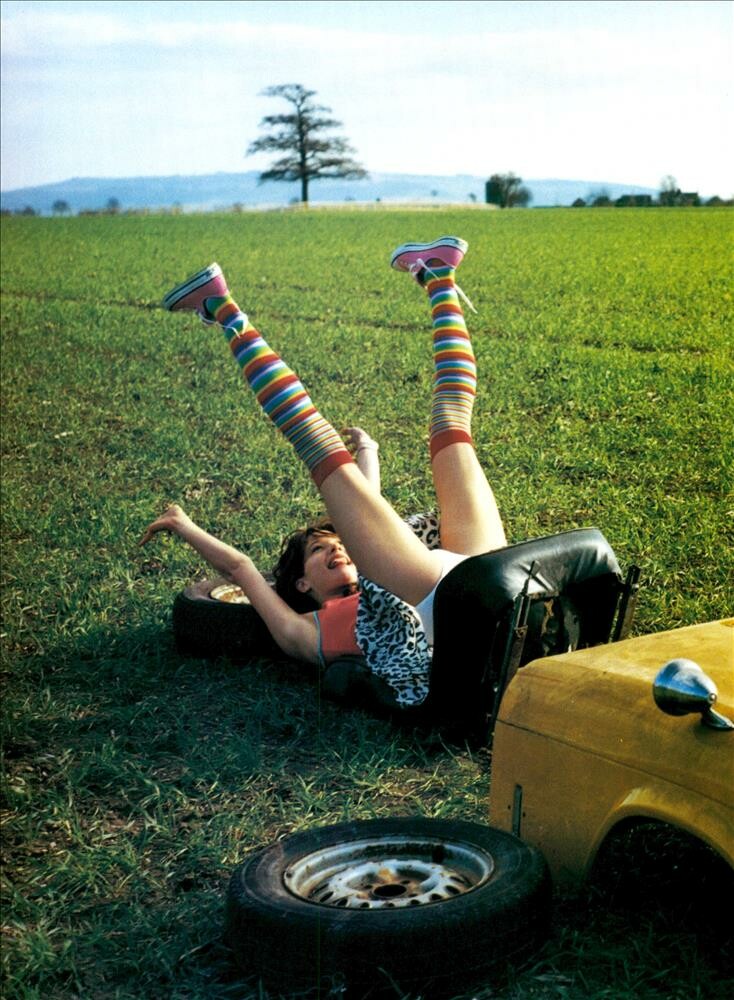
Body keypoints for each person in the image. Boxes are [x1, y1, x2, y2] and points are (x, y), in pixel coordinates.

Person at [140, 237, 507, 709]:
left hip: (462, 583)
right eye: (319, 550)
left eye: (337, 543)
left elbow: (367, 506)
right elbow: (241, 570)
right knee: (444, 425)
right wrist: (184, 525)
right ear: (301, 585)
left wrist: (369, 451)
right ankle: (437, 272)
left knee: (439, 424)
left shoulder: (381, 570)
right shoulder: (302, 633)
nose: (337, 548)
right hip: (483, 587)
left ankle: (224, 308)